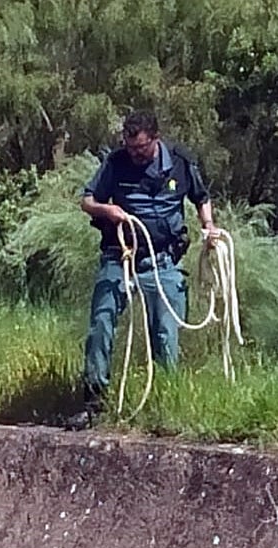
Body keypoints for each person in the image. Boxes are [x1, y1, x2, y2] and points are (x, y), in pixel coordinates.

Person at [64, 111, 220, 430]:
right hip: (119, 257)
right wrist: (107, 210)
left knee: (165, 332)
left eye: (141, 148)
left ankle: (165, 406)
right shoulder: (116, 162)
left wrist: (209, 227)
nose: (135, 154)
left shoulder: (180, 162)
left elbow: (201, 198)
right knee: (101, 323)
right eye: (131, 147)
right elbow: (87, 200)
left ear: (155, 139)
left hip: (162, 261)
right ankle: (94, 403)